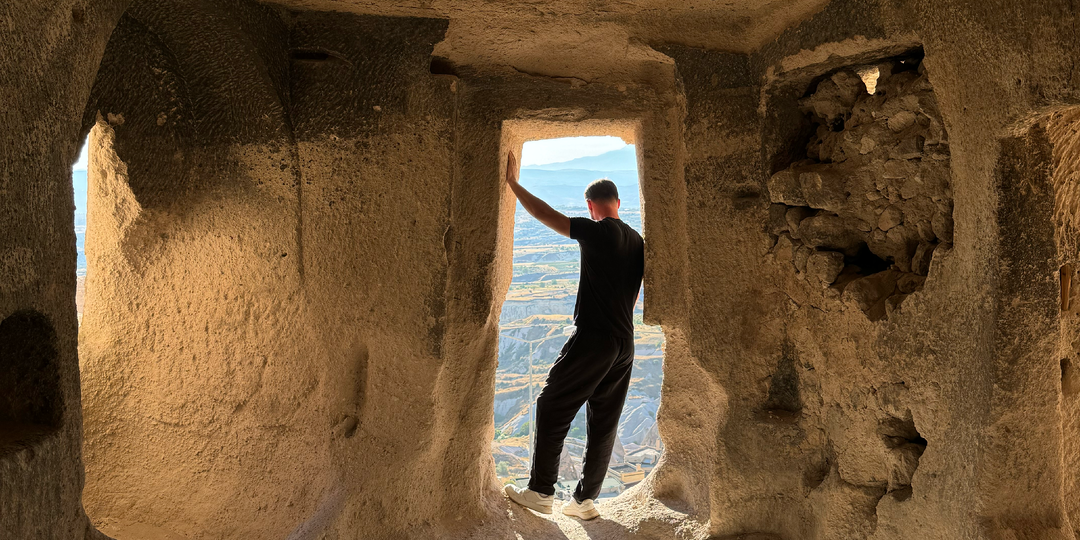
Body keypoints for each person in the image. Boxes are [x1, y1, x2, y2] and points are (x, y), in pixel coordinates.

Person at [501, 150, 645, 521]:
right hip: (625, 343)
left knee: (551, 406)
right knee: (604, 420)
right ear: (617, 202)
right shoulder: (636, 240)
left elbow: (547, 216)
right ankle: (584, 501)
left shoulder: (596, 232)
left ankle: (541, 491)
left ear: (590, 205)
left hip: (594, 338)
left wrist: (513, 184)